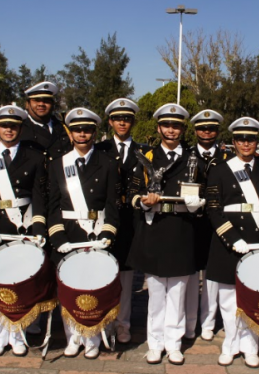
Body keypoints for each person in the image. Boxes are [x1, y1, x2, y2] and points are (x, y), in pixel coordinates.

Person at [205, 117, 259, 368]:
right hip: (229, 242)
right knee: (229, 300)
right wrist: (232, 238)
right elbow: (213, 208)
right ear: (233, 142)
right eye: (241, 139)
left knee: (253, 298)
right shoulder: (219, 170)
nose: (246, 143)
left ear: (257, 141)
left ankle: (250, 345)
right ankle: (231, 343)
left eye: (250, 139)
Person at [127, 104, 205, 365]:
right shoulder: (145, 157)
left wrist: (198, 204)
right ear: (158, 127)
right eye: (167, 125)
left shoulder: (194, 159)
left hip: (182, 229)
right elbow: (132, 193)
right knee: (157, 293)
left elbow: (203, 192)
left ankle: (174, 343)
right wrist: (144, 201)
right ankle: (155, 343)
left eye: (177, 125)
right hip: (156, 228)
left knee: (179, 293)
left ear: (183, 129)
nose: (172, 130)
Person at [0, 105, 48, 357]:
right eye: (4, 126)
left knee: (20, 285)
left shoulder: (34, 157)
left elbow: (39, 196)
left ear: (21, 128)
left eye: (13, 126)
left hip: (22, 228)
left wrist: (38, 227)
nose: (9, 130)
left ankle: (18, 335)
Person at [47, 107, 120, 360]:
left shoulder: (108, 164)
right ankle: (73, 337)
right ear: (70, 133)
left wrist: (108, 234)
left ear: (94, 132)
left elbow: (113, 205)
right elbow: (52, 205)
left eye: (87, 129)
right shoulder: (58, 165)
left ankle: (92, 338)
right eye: (77, 129)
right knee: (69, 288)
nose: (82, 134)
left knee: (94, 287)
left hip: (97, 232)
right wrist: (58, 237)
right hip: (69, 233)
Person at [94, 98, 149, 344]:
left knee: (127, 277)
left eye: (126, 119)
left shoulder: (143, 151)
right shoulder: (100, 150)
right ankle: (104, 321)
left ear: (133, 122)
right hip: (104, 220)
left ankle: (123, 324)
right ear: (110, 122)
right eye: (117, 119)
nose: (122, 123)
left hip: (131, 221)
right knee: (104, 274)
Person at [186, 109, 228, 341]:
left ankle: (209, 322)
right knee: (191, 275)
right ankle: (190, 322)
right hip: (191, 221)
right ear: (195, 131)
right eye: (202, 128)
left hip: (216, 223)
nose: (206, 132)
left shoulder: (226, 159)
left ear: (217, 131)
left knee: (211, 276)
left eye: (211, 128)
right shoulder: (186, 154)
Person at [18, 81, 71, 159]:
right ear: (27, 104)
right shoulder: (19, 129)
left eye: (46, 101)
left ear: (52, 104)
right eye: (36, 100)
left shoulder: (63, 128)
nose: (41, 104)